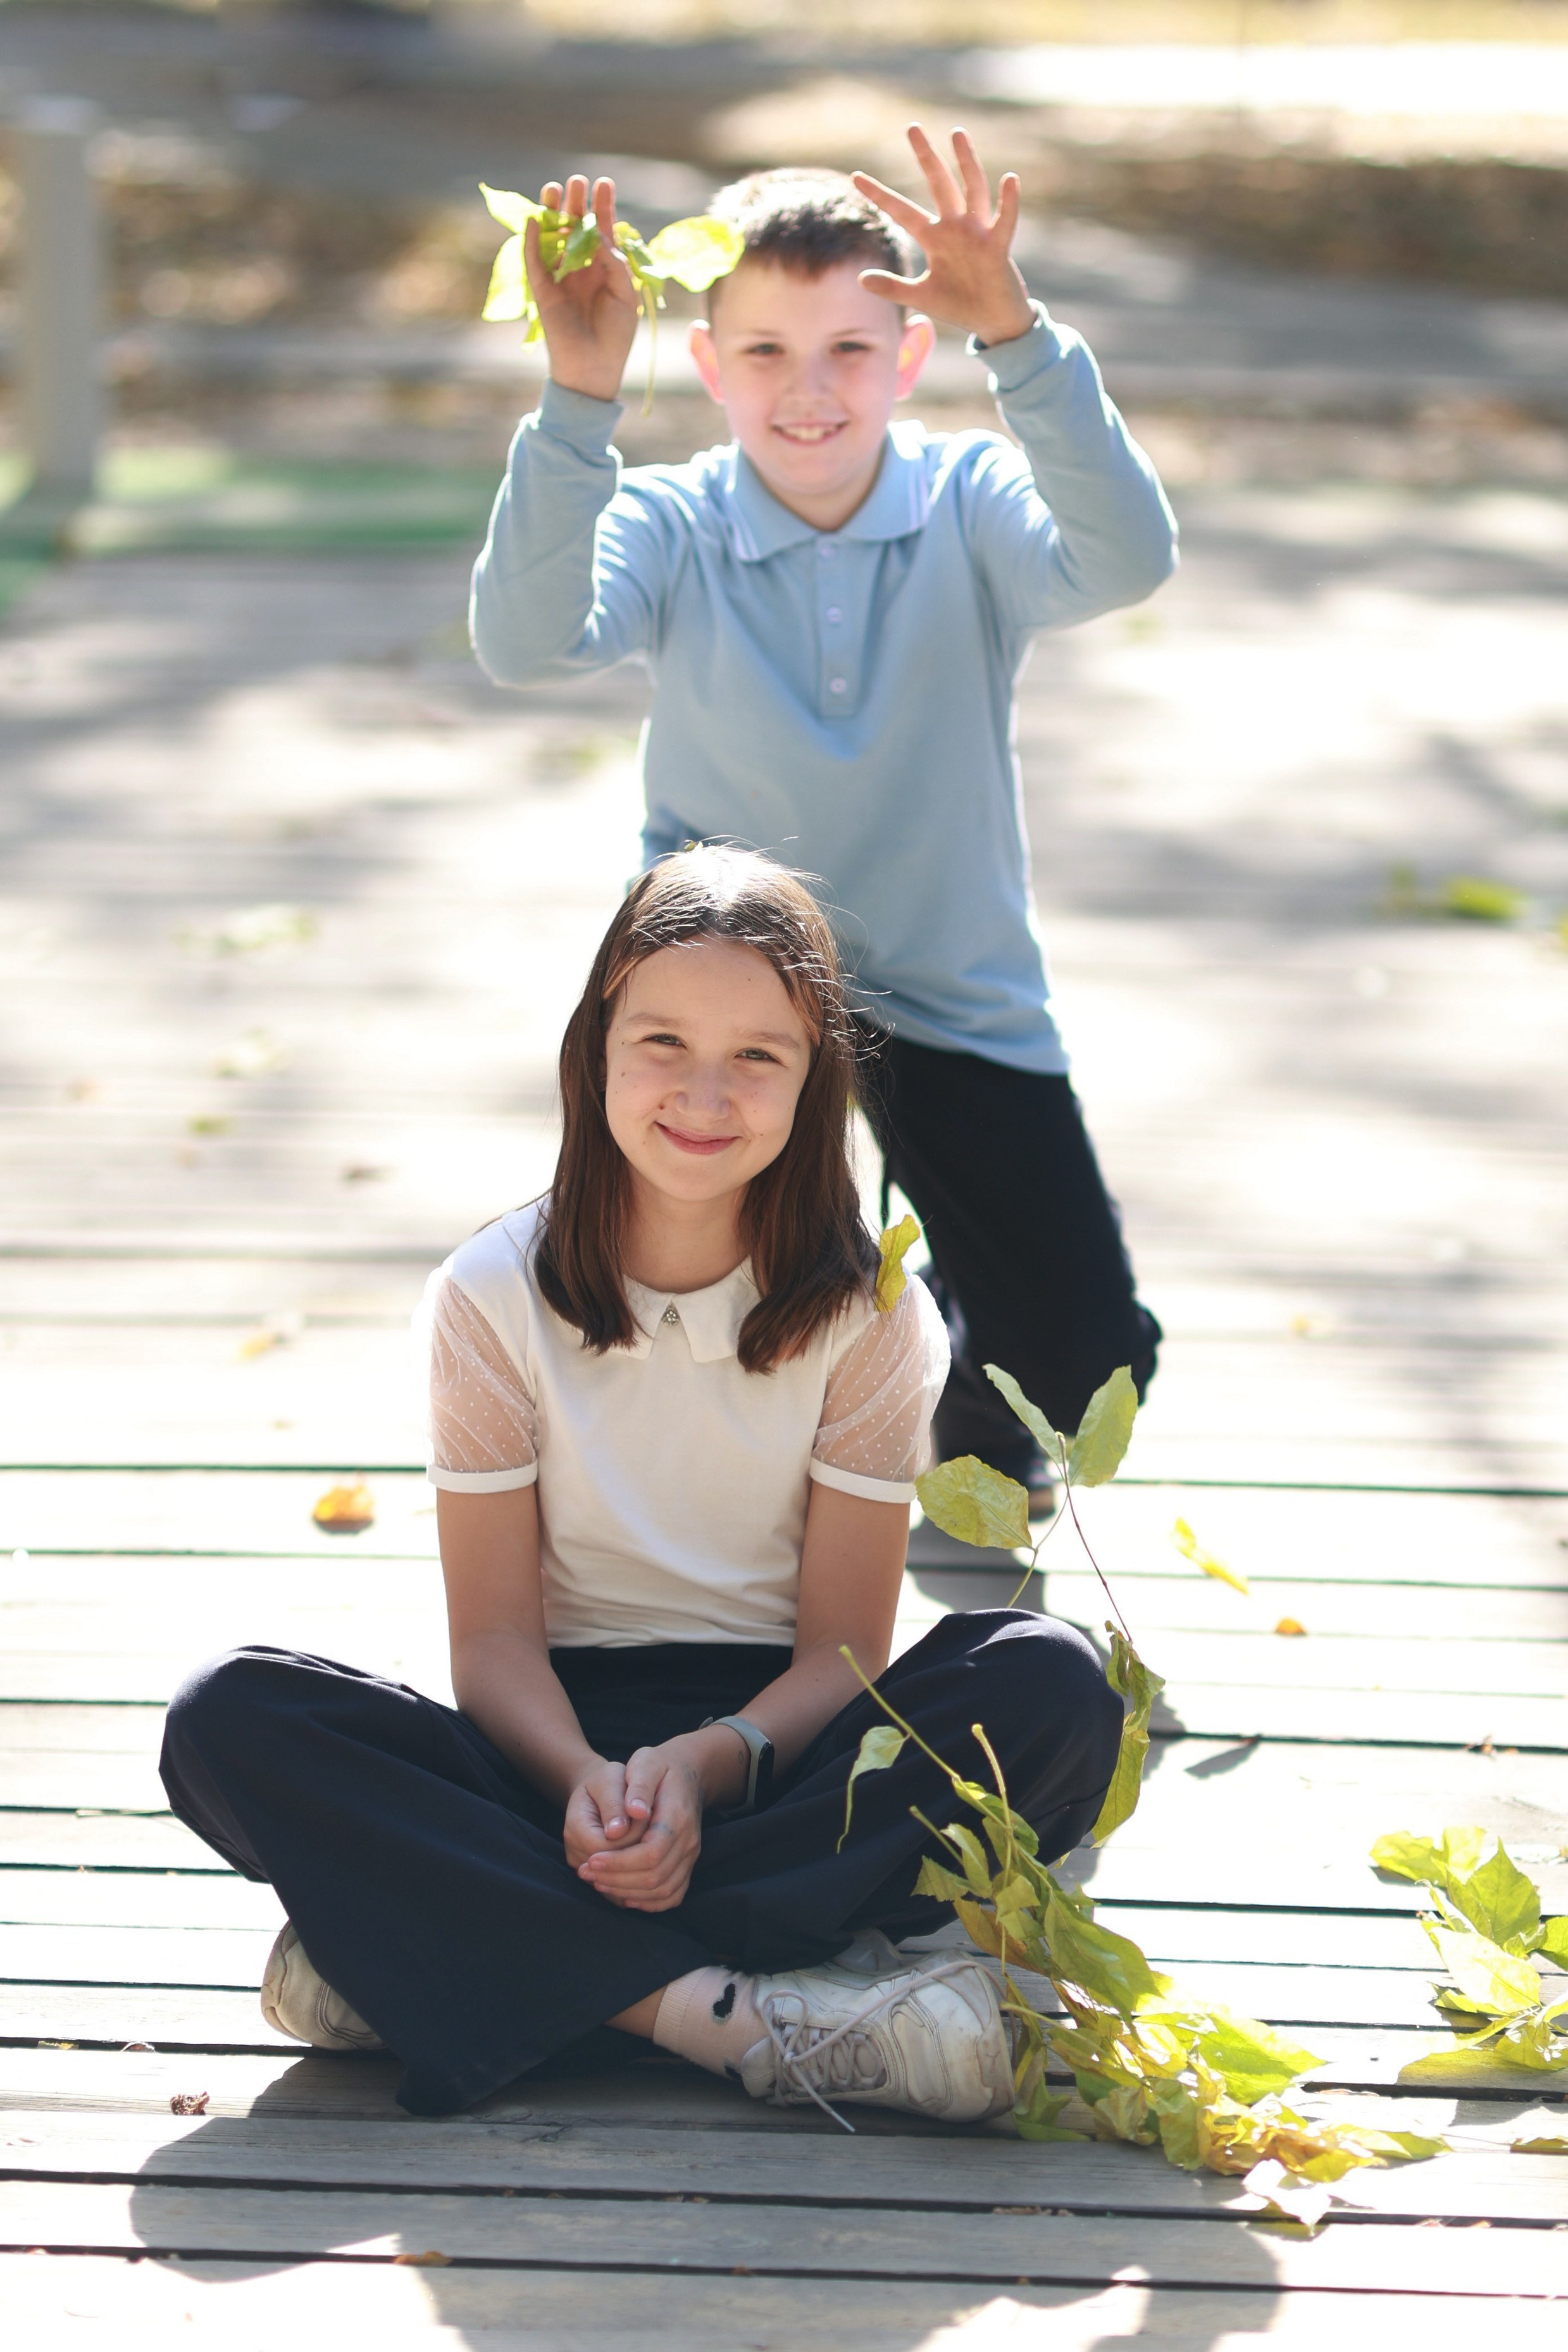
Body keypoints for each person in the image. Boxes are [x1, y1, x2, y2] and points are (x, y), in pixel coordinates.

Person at [160, 848, 1121, 2123]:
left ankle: (437, 1955)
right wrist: (591, 1789)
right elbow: (495, 1640)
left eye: (759, 1057)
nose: (704, 1093)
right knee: (230, 1714)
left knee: (1056, 1685)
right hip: (551, 1752)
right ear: (597, 1043)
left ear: (816, 1079)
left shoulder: (876, 1315)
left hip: (783, 1753)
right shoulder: (488, 1296)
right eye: (663, 1039)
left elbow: (845, 1644)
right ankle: (738, 2018)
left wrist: (705, 1768)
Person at [469, 126, 1178, 1492]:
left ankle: (967, 1429)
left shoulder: (969, 504)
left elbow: (1127, 557)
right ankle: (680, 1507)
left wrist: (1020, 336)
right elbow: (524, 639)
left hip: (943, 976)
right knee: (691, 1326)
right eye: (767, 353)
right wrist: (575, 398)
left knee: (1089, 1365)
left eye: (851, 350)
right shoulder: (673, 524)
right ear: (710, 365)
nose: (809, 391)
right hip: (726, 993)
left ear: (911, 358)